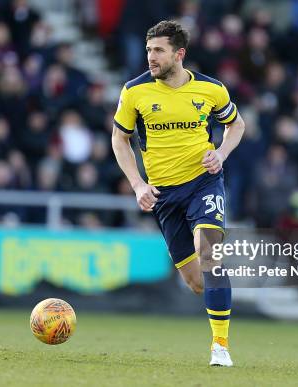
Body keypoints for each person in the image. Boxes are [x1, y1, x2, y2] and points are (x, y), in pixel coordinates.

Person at [111, 20, 245, 367]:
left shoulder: (212, 90)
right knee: (196, 282)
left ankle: (220, 346)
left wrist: (221, 153)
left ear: (179, 54)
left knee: (210, 251)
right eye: (148, 51)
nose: (150, 58)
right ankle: (218, 297)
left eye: (158, 51)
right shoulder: (134, 92)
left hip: (203, 181)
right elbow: (119, 138)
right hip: (164, 195)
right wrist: (138, 184)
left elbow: (237, 124)